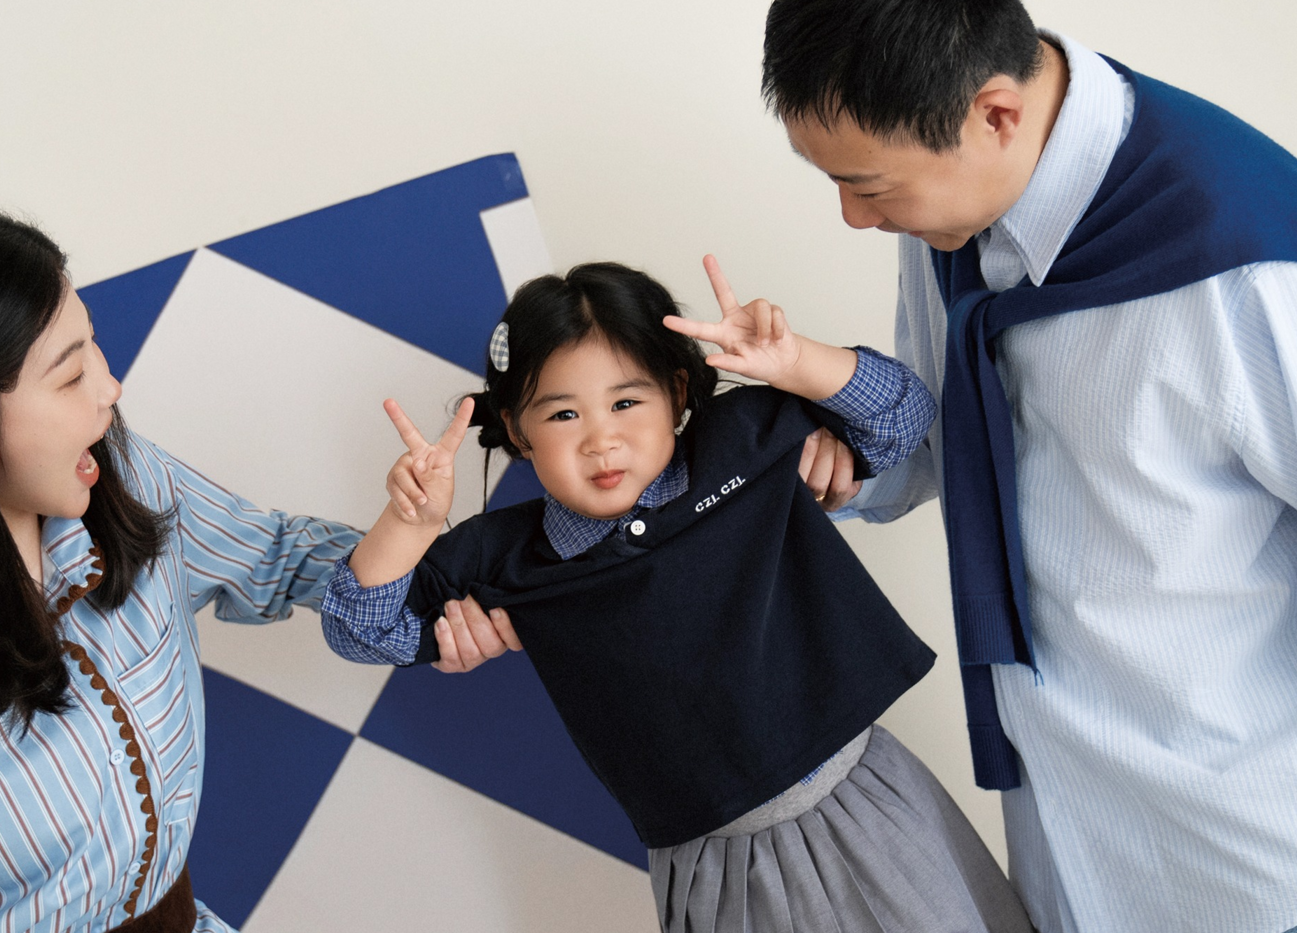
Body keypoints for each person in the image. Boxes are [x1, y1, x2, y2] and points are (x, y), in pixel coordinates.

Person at [759, 2, 1297, 932]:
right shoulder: (952, 216)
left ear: (996, 115)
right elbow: (943, 435)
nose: (854, 217)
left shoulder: (1253, 263)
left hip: (1259, 862)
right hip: (1066, 847)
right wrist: (842, 452)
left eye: (867, 185)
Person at [321, 257, 1034, 932]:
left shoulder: (744, 436)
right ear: (515, 429)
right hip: (716, 867)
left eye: (627, 401)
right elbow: (359, 630)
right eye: (563, 415)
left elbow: (905, 415)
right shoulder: (505, 555)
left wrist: (795, 361)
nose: (602, 440)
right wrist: (408, 525)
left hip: (865, 799)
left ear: (678, 393)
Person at [0, 210, 518, 932]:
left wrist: (425, 554)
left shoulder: (125, 479)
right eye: (71, 375)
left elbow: (276, 555)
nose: (110, 388)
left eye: (93, 346)